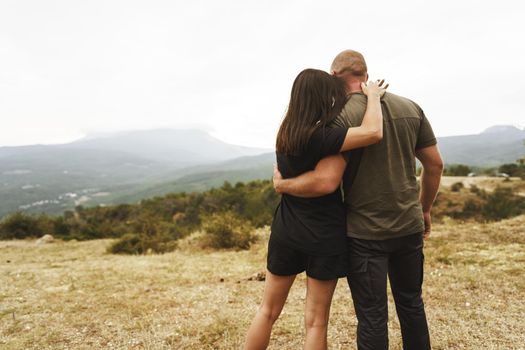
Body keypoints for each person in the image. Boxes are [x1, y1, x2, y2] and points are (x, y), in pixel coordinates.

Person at [273, 50, 444, 350]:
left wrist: (284, 183)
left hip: (365, 232)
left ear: (334, 77)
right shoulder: (411, 107)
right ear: (365, 76)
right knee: (411, 303)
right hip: (408, 225)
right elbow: (435, 165)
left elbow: (325, 178)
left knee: (373, 316)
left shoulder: (337, 119)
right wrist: (425, 208)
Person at [243, 68, 387, 350]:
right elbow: (373, 132)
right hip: (323, 234)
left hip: (286, 230)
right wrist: (371, 95)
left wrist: (283, 186)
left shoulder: (286, 132)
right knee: (316, 321)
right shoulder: (324, 137)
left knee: (267, 311)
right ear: (325, 98)